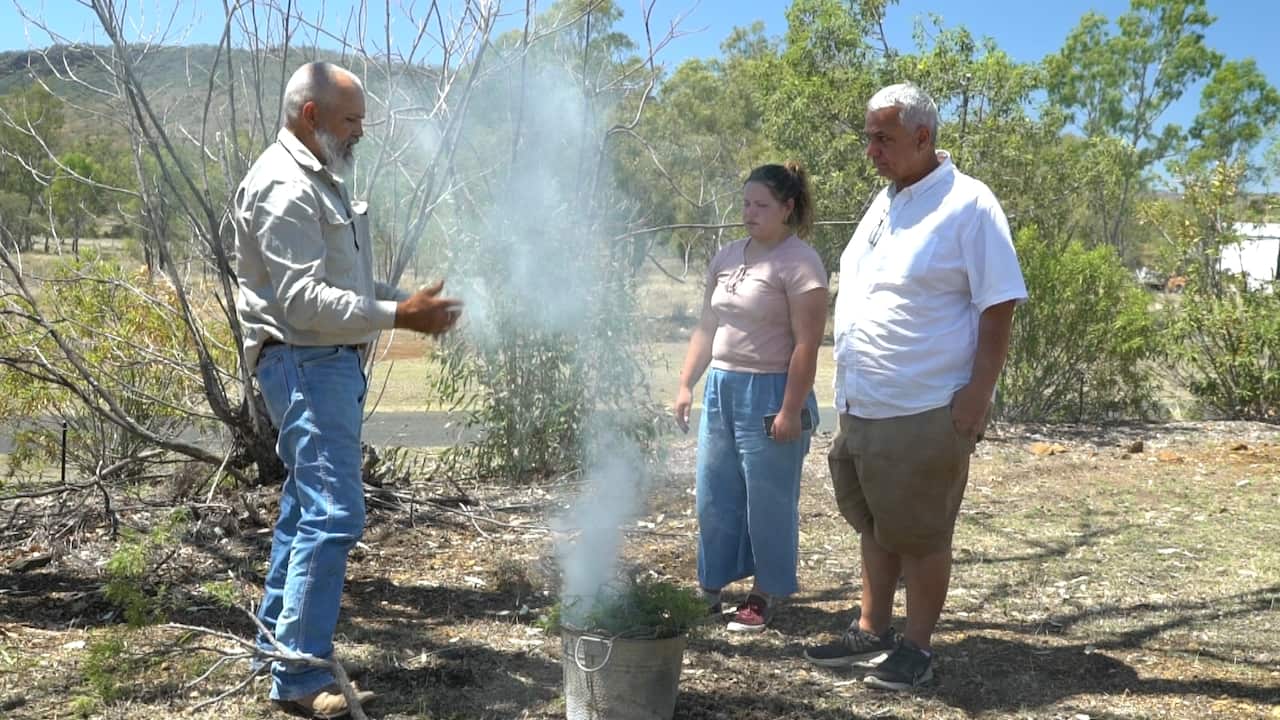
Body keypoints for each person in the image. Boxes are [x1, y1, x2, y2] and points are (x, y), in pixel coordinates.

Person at [234, 61, 461, 716]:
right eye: (352, 119)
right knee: (336, 512)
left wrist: (399, 302)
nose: (362, 131)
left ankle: (280, 654)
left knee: (307, 508)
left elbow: (335, 287)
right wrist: (398, 316)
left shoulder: (318, 179)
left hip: (325, 365)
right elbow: (303, 303)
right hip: (306, 364)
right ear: (311, 116)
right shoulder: (284, 187)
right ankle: (302, 679)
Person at [802, 83, 1027, 690]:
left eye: (884, 138)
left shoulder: (969, 205)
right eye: (869, 136)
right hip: (865, 404)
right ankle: (871, 629)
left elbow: (999, 304)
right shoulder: (887, 201)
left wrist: (977, 394)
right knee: (876, 524)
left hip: (926, 405)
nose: (871, 149)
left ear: (924, 138)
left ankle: (917, 647)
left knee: (923, 535)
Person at [673, 162, 828, 633]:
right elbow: (707, 326)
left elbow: (807, 344)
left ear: (788, 208)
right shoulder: (726, 257)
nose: (750, 212)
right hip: (722, 387)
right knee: (714, 494)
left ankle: (764, 592)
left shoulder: (801, 263)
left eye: (761, 205)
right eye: (745, 203)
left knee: (768, 500)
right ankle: (710, 587)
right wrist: (686, 384)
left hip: (772, 391)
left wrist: (789, 409)